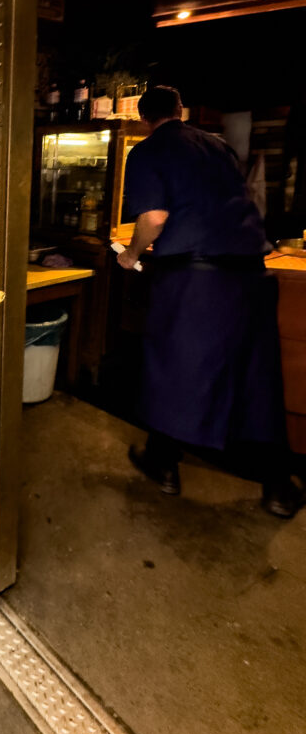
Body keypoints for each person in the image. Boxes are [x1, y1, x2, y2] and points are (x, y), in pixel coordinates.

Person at [118, 85, 302, 517]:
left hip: (198, 279)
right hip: (252, 273)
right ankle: (278, 487)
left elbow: (154, 218)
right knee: (255, 376)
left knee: (175, 367)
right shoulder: (218, 147)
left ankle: (163, 463)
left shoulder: (147, 151)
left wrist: (130, 253)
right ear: (180, 111)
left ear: (144, 119)